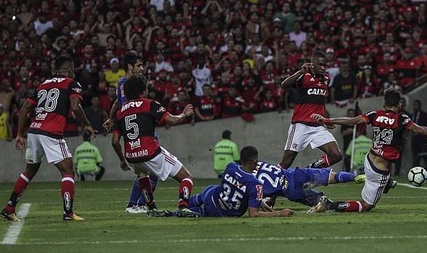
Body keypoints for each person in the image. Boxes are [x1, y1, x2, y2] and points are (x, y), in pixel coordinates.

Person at [308, 88, 427, 213]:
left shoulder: (374, 114)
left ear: (384, 104)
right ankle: (329, 205)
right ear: (400, 105)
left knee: (379, 179)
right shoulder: (402, 119)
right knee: (367, 206)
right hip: (380, 170)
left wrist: (327, 120)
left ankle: (387, 183)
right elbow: (421, 130)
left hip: (369, 160)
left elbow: (351, 121)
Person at [0, 55, 96, 222]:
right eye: (72, 68)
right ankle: (68, 212)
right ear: (68, 69)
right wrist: (87, 124)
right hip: (51, 133)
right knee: (67, 170)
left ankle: (9, 208)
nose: (74, 72)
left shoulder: (43, 84)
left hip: (34, 130)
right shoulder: (71, 84)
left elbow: (24, 109)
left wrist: (20, 135)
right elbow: (75, 106)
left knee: (29, 171)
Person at [110, 75, 196, 215]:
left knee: (143, 175)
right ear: (143, 91)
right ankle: (183, 206)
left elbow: (114, 141)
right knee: (187, 177)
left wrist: (122, 159)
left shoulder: (120, 112)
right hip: (150, 152)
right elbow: (172, 121)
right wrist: (184, 114)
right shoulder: (150, 104)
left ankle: (151, 207)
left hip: (131, 156)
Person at [102, 50, 158, 214]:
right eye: (139, 65)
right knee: (152, 171)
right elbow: (129, 107)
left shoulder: (122, 83)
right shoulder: (130, 84)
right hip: (140, 130)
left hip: (135, 130)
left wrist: (111, 118)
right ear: (130, 66)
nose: (142, 68)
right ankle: (137, 204)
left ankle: (136, 204)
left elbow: (117, 104)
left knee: (146, 171)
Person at [178, 146, 294, 218]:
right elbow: (253, 214)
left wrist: (260, 202)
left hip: (212, 198)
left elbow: (238, 185)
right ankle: (180, 213)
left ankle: (182, 207)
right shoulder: (256, 184)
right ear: (255, 161)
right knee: (202, 212)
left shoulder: (231, 167)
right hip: (223, 214)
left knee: (210, 190)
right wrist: (280, 213)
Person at [279, 51, 342, 169]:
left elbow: (321, 101)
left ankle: (309, 170)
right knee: (287, 161)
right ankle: (272, 179)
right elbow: (284, 85)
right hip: (300, 125)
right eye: (320, 65)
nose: (323, 68)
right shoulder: (304, 77)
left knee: (336, 155)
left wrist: (325, 118)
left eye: (325, 65)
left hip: (317, 126)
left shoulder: (326, 79)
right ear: (312, 64)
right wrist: (300, 72)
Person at [253, 160, 364, 207]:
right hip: (296, 174)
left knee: (324, 204)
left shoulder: (249, 181)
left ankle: (351, 206)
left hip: (290, 191)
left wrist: (269, 200)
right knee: (333, 176)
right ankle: (356, 177)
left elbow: (262, 198)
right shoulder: (259, 163)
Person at [410, 100, 427, 174]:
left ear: (420, 106)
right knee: (415, 157)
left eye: (416, 105)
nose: (415, 106)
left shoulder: (424, 115)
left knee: (425, 156)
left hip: (423, 139)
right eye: (414, 105)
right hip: (414, 139)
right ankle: (416, 172)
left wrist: (426, 135)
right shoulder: (411, 115)